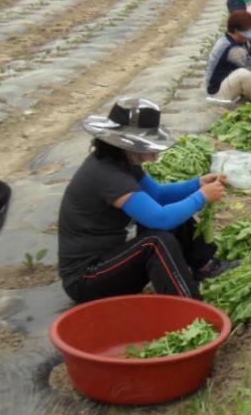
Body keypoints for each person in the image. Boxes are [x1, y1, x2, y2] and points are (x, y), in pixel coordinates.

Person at [58, 98, 235, 303]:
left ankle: (205, 266)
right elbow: (160, 219)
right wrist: (202, 196)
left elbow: (158, 195)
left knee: (173, 213)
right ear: (127, 143)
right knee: (156, 243)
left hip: (110, 260)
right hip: (87, 278)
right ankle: (187, 306)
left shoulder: (122, 163)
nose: (154, 152)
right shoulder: (107, 175)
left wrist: (196, 185)